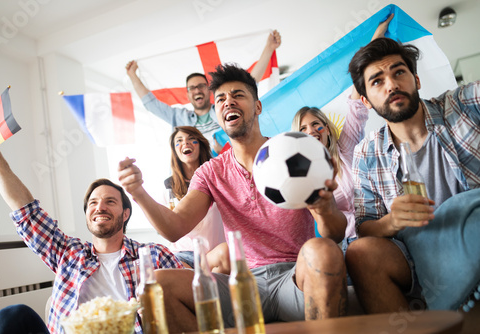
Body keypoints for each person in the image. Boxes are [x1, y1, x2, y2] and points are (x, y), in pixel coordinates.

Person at [118, 64, 347, 332]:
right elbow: (173, 228)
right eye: (221, 100)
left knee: (324, 250)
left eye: (238, 95)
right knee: (157, 284)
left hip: (296, 277)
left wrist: (324, 209)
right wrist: (138, 192)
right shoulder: (211, 172)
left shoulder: (293, 152)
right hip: (244, 284)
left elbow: (335, 234)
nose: (228, 102)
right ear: (217, 114)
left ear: (258, 107)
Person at [0, 122, 184, 334]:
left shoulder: (153, 255)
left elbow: (192, 297)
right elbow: (25, 210)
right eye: (93, 203)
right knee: (11, 316)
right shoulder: (68, 253)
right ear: (87, 215)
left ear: (125, 214)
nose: (100, 207)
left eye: (110, 202)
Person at [345, 37, 480, 314]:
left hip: (474, 228)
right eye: (377, 81)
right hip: (422, 255)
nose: (391, 85)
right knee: (360, 253)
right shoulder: (366, 153)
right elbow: (365, 225)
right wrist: (392, 221)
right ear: (366, 101)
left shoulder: (461, 105)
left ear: (416, 80)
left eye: (399, 72)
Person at [291, 14, 393, 251]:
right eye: (303, 129)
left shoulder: (345, 145)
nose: (312, 131)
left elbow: (358, 90)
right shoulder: (303, 176)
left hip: (385, 225)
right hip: (350, 243)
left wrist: (377, 36)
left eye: (316, 124)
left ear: (327, 128)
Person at [125, 30, 281, 154]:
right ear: (187, 94)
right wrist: (133, 76)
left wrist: (269, 49)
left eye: (201, 85)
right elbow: (151, 104)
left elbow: (249, 83)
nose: (197, 90)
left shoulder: (224, 109)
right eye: (192, 88)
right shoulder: (178, 118)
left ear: (209, 90)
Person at [164, 125, 228, 272]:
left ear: (201, 145)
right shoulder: (168, 187)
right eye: (179, 141)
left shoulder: (218, 176)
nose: (185, 143)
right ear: (175, 150)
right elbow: (167, 229)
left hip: (216, 254)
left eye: (191, 139)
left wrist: (221, 152)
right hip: (184, 254)